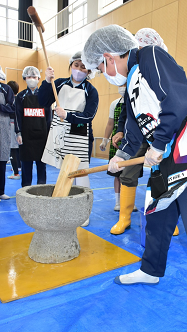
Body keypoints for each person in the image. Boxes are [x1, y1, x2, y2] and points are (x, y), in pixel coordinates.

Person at [82, 24, 187, 332]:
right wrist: (122, 155)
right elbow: (133, 127)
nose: (102, 72)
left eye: (100, 66)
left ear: (110, 56)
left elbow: (177, 101)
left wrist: (157, 145)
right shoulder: (129, 84)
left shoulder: (151, 57)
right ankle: (151, 269)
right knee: (156, 217)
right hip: (165, 158)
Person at [110, 27, 179, 235]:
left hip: (161, 134)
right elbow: (128, 111)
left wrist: (159, 144)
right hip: (137, 135)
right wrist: (122, 141)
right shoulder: (132, 74)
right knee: (128, 173)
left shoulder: (162, 70)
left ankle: (165, 219)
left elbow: (173, 105)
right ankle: (125, 217)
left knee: (164, 175)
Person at [38, 51, 99, 226]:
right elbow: (42, 101)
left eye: (83, 67)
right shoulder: (59, 83)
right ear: (71, 65)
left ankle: (83, 212)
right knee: (64, 172)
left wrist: (68, 115)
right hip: (59, 133)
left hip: (79, 135)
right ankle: (65, 207)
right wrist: (47, 81)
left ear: (89, 72)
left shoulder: (91, 90)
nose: (79, 69)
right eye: (76, 65)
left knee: (81, 173)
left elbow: (89, 116)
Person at [15, 67, 51, 187]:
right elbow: (17, 116)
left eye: (34, 77)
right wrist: (18, 133)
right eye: (29, 77)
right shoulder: (20, 96)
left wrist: (50, 135)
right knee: (26, 166)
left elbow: (49, 118)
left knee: (42, 165)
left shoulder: (44, 96)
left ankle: (41, 189)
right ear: (25, 78)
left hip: (42, 136)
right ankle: (26, 190)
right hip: (26, 137)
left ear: (39, 79)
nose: (31, 79)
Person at [99, 84, 132, 211]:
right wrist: (104, 140)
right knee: (117, 174)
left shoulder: (137, 102)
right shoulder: (115, 104)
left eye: (125, 85)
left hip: (132, 143)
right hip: (116, 143)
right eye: (121, 85)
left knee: (130, 175)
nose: (122, 87)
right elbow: (110, 123)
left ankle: (128, 202)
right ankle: (118, 202)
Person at [0, 66, 15, 200]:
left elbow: (12, 107)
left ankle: (0, 191)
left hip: (2, 128)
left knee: (1, 161)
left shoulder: (5, 89)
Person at [7, 81, 21, 180]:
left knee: (12, 148)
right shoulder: (20, 99)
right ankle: (18, 167)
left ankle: (16, 173)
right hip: (19, 125)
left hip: (12, 124)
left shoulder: (11, 100)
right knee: (18, 148)